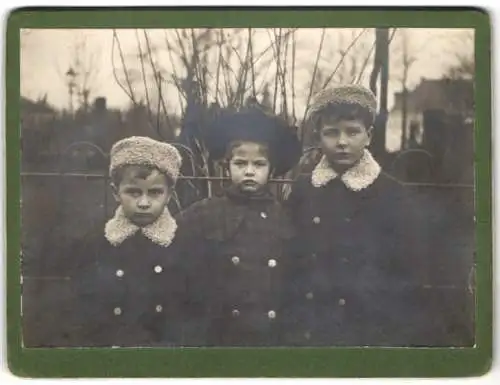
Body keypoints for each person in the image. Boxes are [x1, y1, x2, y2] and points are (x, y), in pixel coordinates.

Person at [283, 84, 430, 346]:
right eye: (331, 133)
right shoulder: (304, 189)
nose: (342, 142)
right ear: (318, 137)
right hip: (309, 326)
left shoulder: (392, 194)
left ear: (369, 135)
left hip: (368, 329)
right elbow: (291, 260)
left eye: (352, 132)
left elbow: (407, 272)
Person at [34, 136, 185, 347]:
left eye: (155, 193)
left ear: (169, 195)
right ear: (116, 193)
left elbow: (192, 316)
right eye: (133, 192)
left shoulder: (184, 245)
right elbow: (80, 310)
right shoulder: (96, 244)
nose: (143, 203)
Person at [176, 106, 302, 346]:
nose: (249, 171)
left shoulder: (285, 217)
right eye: (240, 163)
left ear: (272, 169)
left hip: (271, 338)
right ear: (227, 166)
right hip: (222, 337)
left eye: (259, 164)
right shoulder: (204, 213)